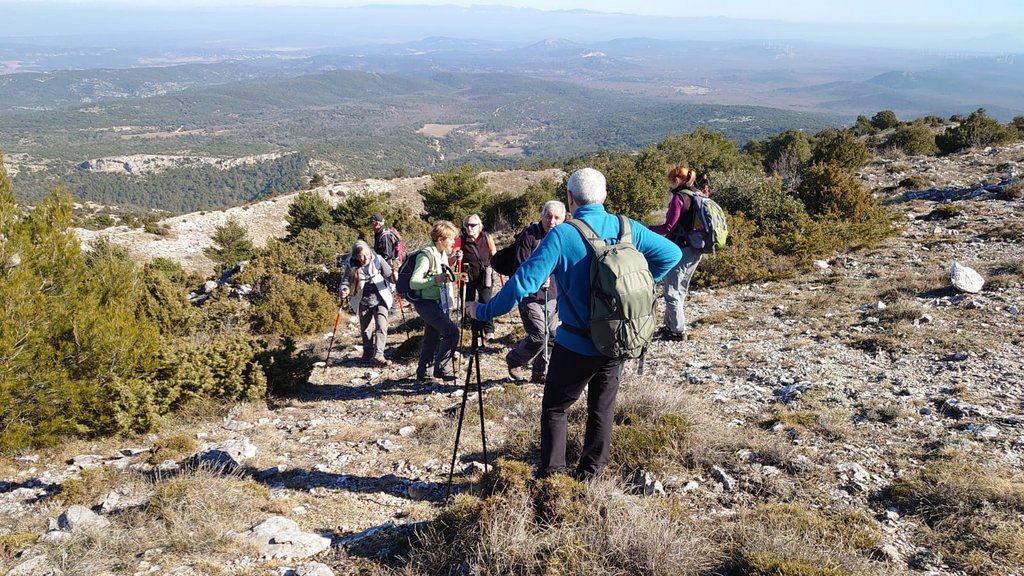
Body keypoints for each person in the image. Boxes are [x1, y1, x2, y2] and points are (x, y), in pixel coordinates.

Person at [468, 168, 681, 480]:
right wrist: (636, 288)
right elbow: (671, 254)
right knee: (602, 409)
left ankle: (554, 477)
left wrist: (483, 311)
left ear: (570, 199)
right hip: (618, 338)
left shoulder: (563, 235)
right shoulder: (627, 227)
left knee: (556, 409)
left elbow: (521, 285)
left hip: (576, 343)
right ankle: (590, 475)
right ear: (604, 196)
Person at [504, 200, 566, 384]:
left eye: (556, 218)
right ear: (542, 216)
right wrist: (539, 280)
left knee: (553, 335)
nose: (552, 221)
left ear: (563, 219)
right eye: (548, 217)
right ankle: (514, 360)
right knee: (539, 335)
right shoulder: (530, 235)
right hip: (529, 295)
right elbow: (521, 265)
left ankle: (540, 374)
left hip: (553, 294)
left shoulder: (562, 236)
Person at [649, 164, 705, 341]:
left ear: (677, 179)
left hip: (681, 249)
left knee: (672, 290)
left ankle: (677, 331)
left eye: (670, 181)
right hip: (696, 247)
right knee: (680, 289)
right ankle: (670, 326)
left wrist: (645, 228)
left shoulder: (679, 198)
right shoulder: (697, 193)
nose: (669, 185)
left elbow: (668, 227)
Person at [409, 220, 460, 382]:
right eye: (450, 239)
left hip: (437, 301)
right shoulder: (426, 256)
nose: (453, 241)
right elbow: (414, 282)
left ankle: (423, 372)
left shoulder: (442, 254)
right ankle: (441, 368)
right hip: (426, 303)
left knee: (431, 337)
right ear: (440, 239)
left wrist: (459, 276)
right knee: (452, 332)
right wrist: (435, 280)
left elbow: (442, 276)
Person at [338, 240, 393, 368]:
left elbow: (389, 274)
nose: (365, 258)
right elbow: (345, 281)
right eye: (361, 256)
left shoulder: (378, 259)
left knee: (381, 326)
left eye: (366, 254)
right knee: (366, 329)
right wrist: (344, 289)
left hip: (381, 298)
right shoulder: (351, 265)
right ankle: (367, 353)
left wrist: (395, 276)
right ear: (355, 256)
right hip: (362, 300)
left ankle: (379, 355)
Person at [454, 214, 497, 335]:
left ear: (479, 226)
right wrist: (456, 256)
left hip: (484, 276)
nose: (469, 228)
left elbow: (494, 255)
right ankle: (467, 329)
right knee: (467, 302)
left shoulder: (487, 238)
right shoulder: (460, 240)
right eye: (466, 225)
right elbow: (451, 258)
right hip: (466, 277)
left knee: (486, 302)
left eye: (473, 225)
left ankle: (488, 329)